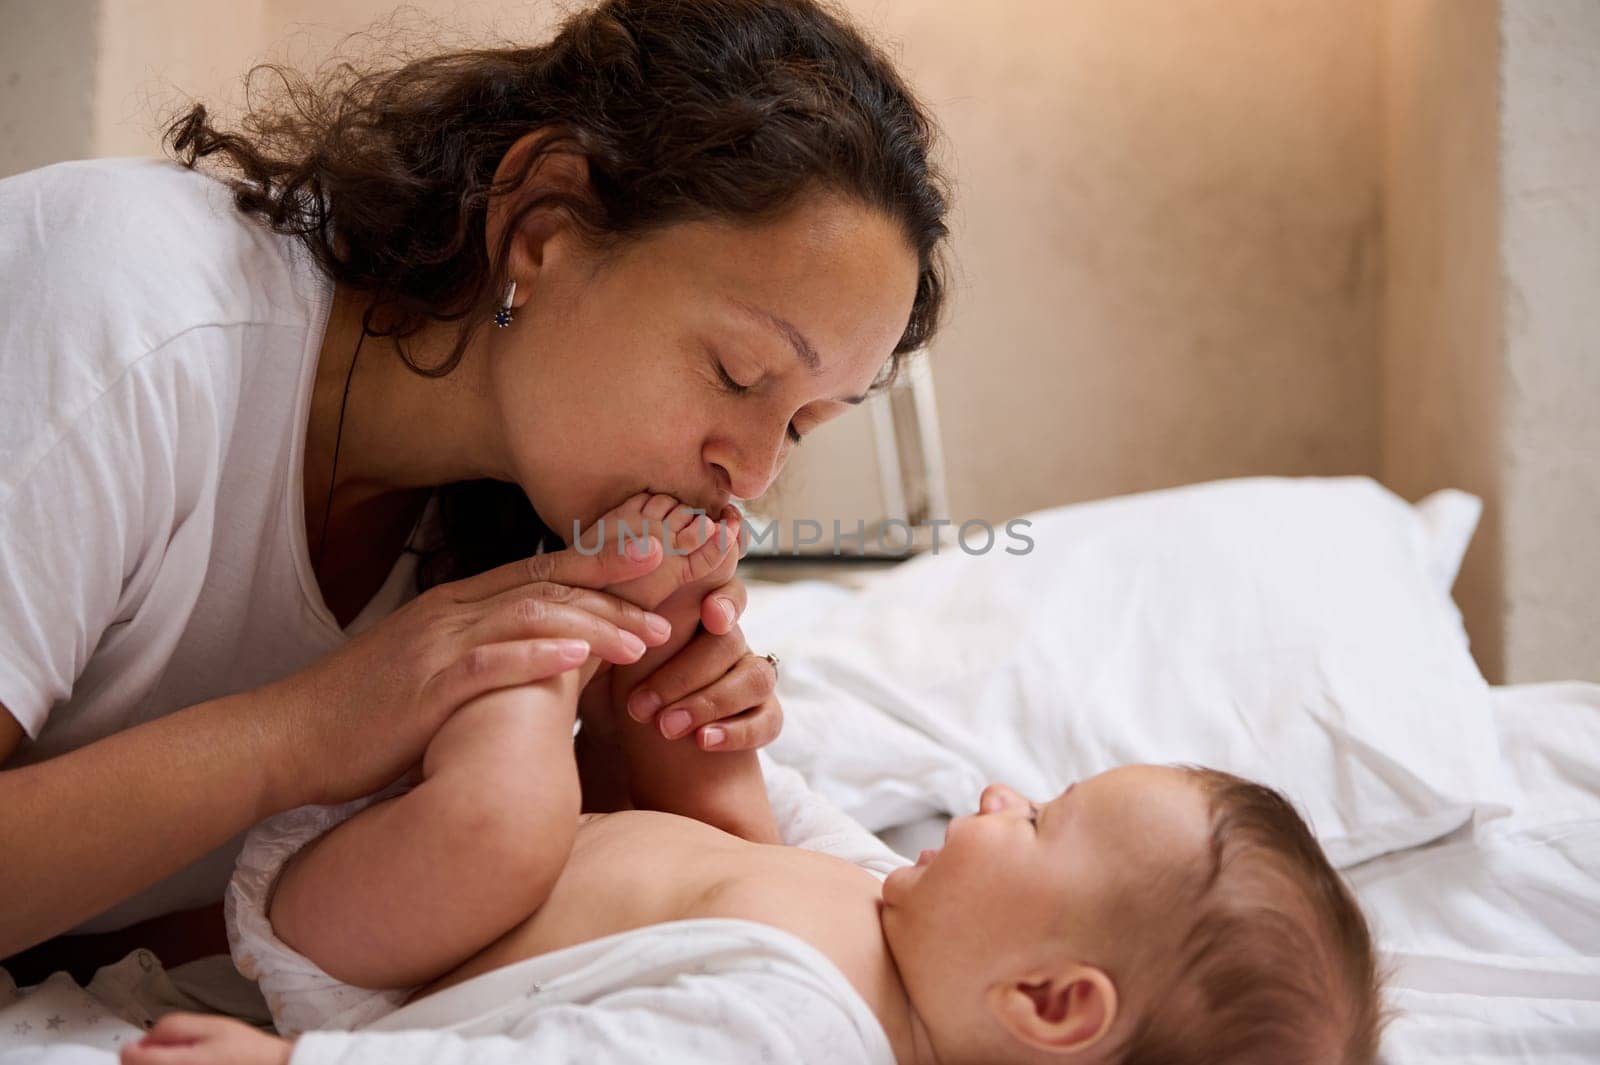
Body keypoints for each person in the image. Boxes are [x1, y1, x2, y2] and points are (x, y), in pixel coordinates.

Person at [0, 0, 951, 976]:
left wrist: (631, 758)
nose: (751, 475)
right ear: (541, 227)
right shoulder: (128, 313)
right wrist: (300, 731)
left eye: (801, 423)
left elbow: (211, 940)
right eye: (738, 375)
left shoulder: (516, 521)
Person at [120, 523, 1386, 1065]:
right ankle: (632, 629)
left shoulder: (801, 1040)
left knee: (512, 819)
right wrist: (720, 721)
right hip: (435, 880)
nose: (1000, 795)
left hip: (379, 953)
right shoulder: (890, 908)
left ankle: (548, 629)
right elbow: (734, 830)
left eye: (1043, 823)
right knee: (678, 784)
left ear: (1049, 1001)